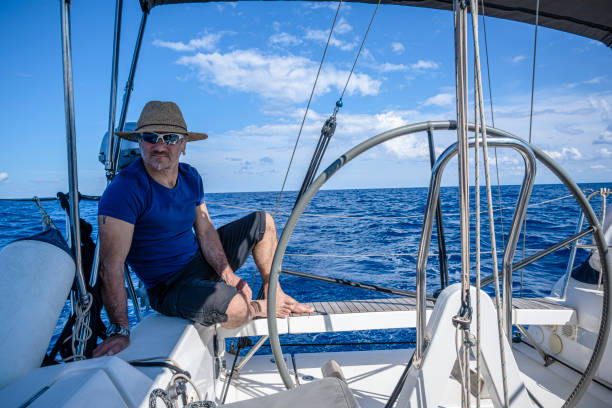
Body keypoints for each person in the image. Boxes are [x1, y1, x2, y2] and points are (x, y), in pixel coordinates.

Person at [92, 101, 313, 358]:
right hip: (169, 287)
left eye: (170, 138)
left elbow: (206, 231)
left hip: (198, 262)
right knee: (239, 309)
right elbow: (111, 265)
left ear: (184, 145)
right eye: (151, 137)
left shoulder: (191, 177)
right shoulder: (124, 190)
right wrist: (120, 329)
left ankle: (273, 289)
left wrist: (229, 276)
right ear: (140, 142)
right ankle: (261, 306)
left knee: (264, 222)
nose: (160, 146)